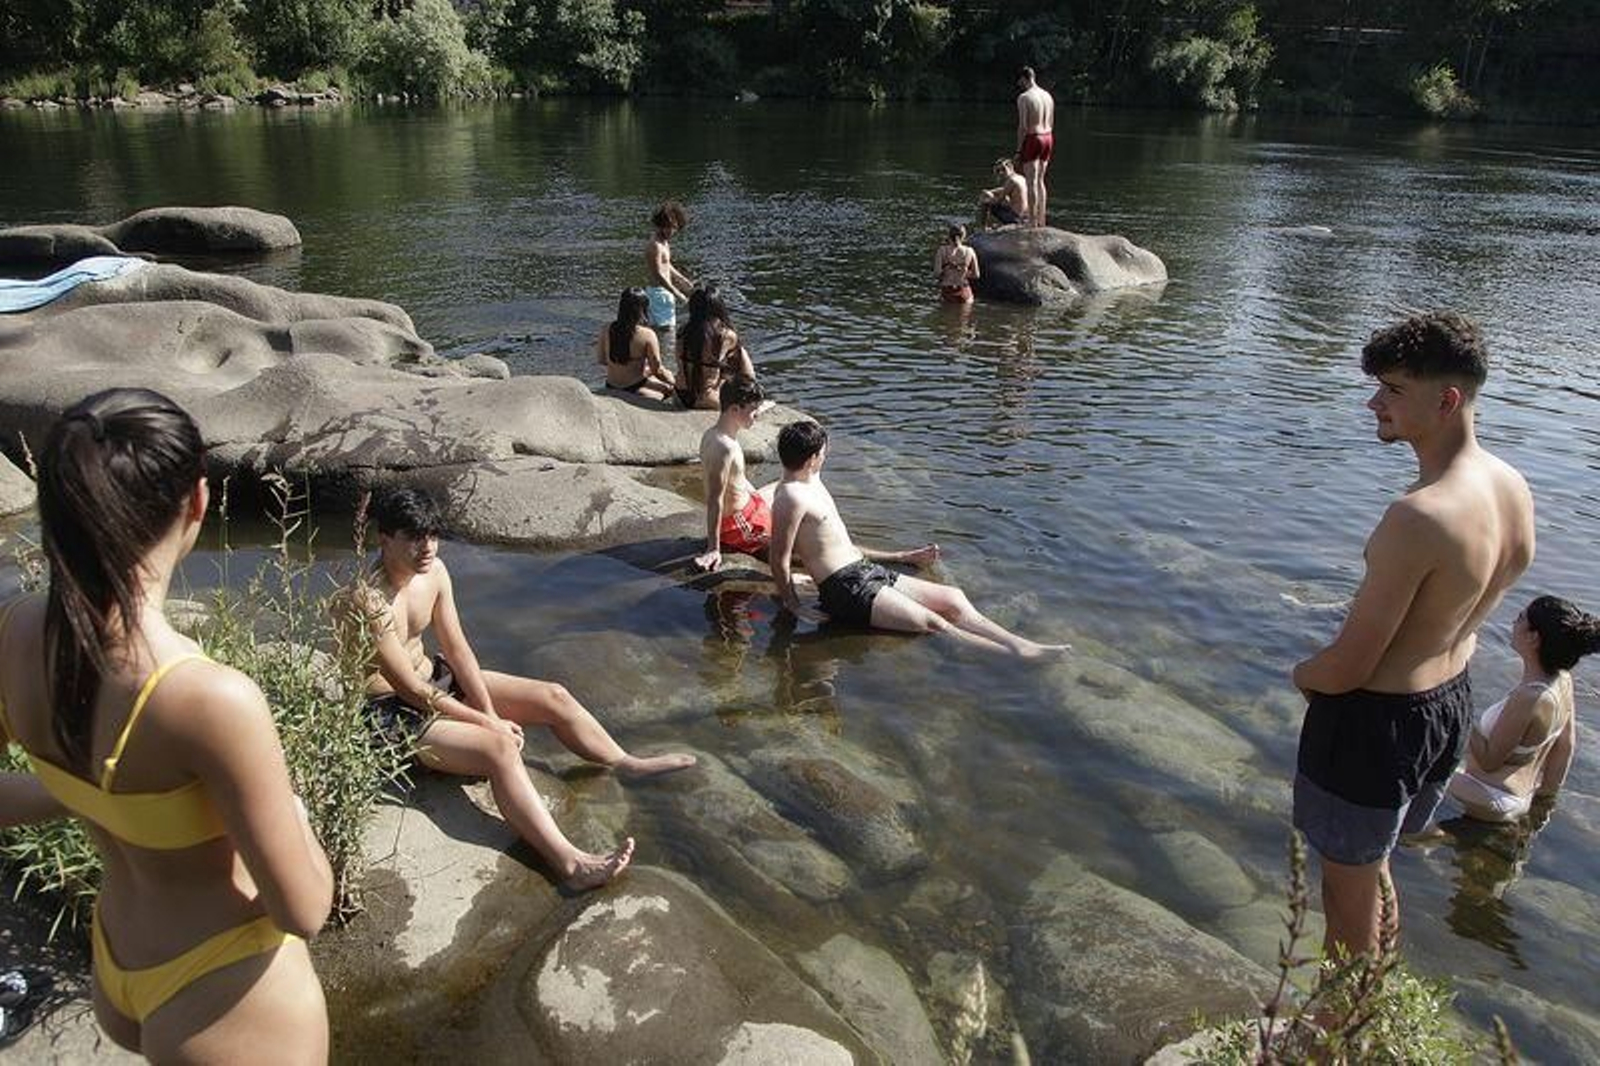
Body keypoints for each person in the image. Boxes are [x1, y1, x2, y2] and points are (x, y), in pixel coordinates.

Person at [0, 388, 333, 1062]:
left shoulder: (14, 629)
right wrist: (297, 816)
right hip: (227, 985)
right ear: (198, 503)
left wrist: (91, 799)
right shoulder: (208, 698)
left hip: (120, 952)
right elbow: (303, 911)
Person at [1292, 311, 1535, 960]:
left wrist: (1302, 674)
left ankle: (1336, 1021)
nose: (1375, 402)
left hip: (1377, 726)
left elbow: (1349, 665)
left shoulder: (1418, 516)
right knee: (1376, 865)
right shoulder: (1510, 486)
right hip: (1447, 707)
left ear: (1447, 400)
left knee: (1345, 897)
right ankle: (1377, 991)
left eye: (1394, 389)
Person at [353, 488, 695, 890]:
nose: (427, 547)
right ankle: (571, 864)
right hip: (389, 712)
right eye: (414, 538)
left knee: (554, 696)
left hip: (434, 681)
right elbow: (410, 689)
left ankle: (624, 762)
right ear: (384, 538)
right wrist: (488, 725)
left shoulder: (435, 572)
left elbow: (458, 650)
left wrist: (489, 713)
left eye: (432, 535)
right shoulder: (367, 599)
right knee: (499, 749)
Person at [768, 419, 1066, 658]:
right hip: (845, 590)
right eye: (823, 451)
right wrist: (794, 604)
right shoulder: (790, 497)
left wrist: (902, 557)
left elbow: (835, 542)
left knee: (953, 598)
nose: (826, 454)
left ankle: (1018, 643)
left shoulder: (811, 480)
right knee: (935, 623)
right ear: (812, 459)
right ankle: (1012, 657)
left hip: (863, 570)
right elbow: (778, 557)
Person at [1446, 595, 1595, 822]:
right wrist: (1544, 802)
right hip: (1520, 796)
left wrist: (1461, 713)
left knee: (1408, 771)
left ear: (1533, 637)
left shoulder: (1529, 697)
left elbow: (1489, 761)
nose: (1513, 623)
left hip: (1489, 796)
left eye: (1520, 618)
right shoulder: (1563, 680)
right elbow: (1565, 746)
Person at [694, 377, 776, 571]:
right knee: (797, 548)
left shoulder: (715, 434)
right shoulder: (724, 447)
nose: (757, 415)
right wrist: (713, 548)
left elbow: (737, 479)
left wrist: (757, 498)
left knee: (787, 486)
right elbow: (715, 498)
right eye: (753, 410)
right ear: (734, 410)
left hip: (749, 505)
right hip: (739, 525)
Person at [676, 284, 756, 411]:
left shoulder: (683, 330)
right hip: (706, 397)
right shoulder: (726, 336)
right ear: (719, 308)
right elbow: (748, 376)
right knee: (740, 355)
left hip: (680, 393)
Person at [597, 287, 675, 401]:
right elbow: (658, 371)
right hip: (634, 388)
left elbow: (602, 360)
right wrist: (673, 381)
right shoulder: (647, 334)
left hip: (610, 385)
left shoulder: (606, 328)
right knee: (669, 387)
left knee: (649, 374)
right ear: (643, 310)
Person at [645, 201, 695, 334]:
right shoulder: (655, 245)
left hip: (665, 292)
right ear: (659, 225)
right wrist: (677, 293)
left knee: (666, 331)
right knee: (667, 332)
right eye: (667, 227)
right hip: (657, 294)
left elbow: (667, 265)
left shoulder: (664, 242)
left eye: (673, 227)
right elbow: (657, 274)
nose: (671, 231)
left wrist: (682, 280)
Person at [1015, 66, 1055, 227]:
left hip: (1033, 138)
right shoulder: (1048, 96)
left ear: (1024, 78)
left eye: (1020, 80)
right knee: (1040, 181)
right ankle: (1041, 220)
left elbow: (1023, 126)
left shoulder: (1024, 98)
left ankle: (1032, 222)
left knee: (1031, 182)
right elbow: (1051, 122)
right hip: (1048, 137)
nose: (1019, 84)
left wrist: (1019, 150)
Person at [934, 224, 980, 305]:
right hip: (964, 291)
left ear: (949, 236)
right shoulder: (970, 251)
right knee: (965, 313)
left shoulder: (942, 250)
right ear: (963, 236)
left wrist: (947, 271)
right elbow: (976, 275)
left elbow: (937, 273)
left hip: (947, 290)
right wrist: (965, 273)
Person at [978, 157, 1028, 228]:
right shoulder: (1021, 178)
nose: (1001, 173)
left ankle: (983, 227)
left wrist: (987, 196)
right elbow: (1004, 190)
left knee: (986, 200)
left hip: (1015, 218)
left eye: (1003, 169)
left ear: (1011, 167)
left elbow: (998, 201)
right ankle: (996, 224)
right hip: (1024, 216)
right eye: (998, 171)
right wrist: (991, 191)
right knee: (1005, 200)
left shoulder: (1011, 181)